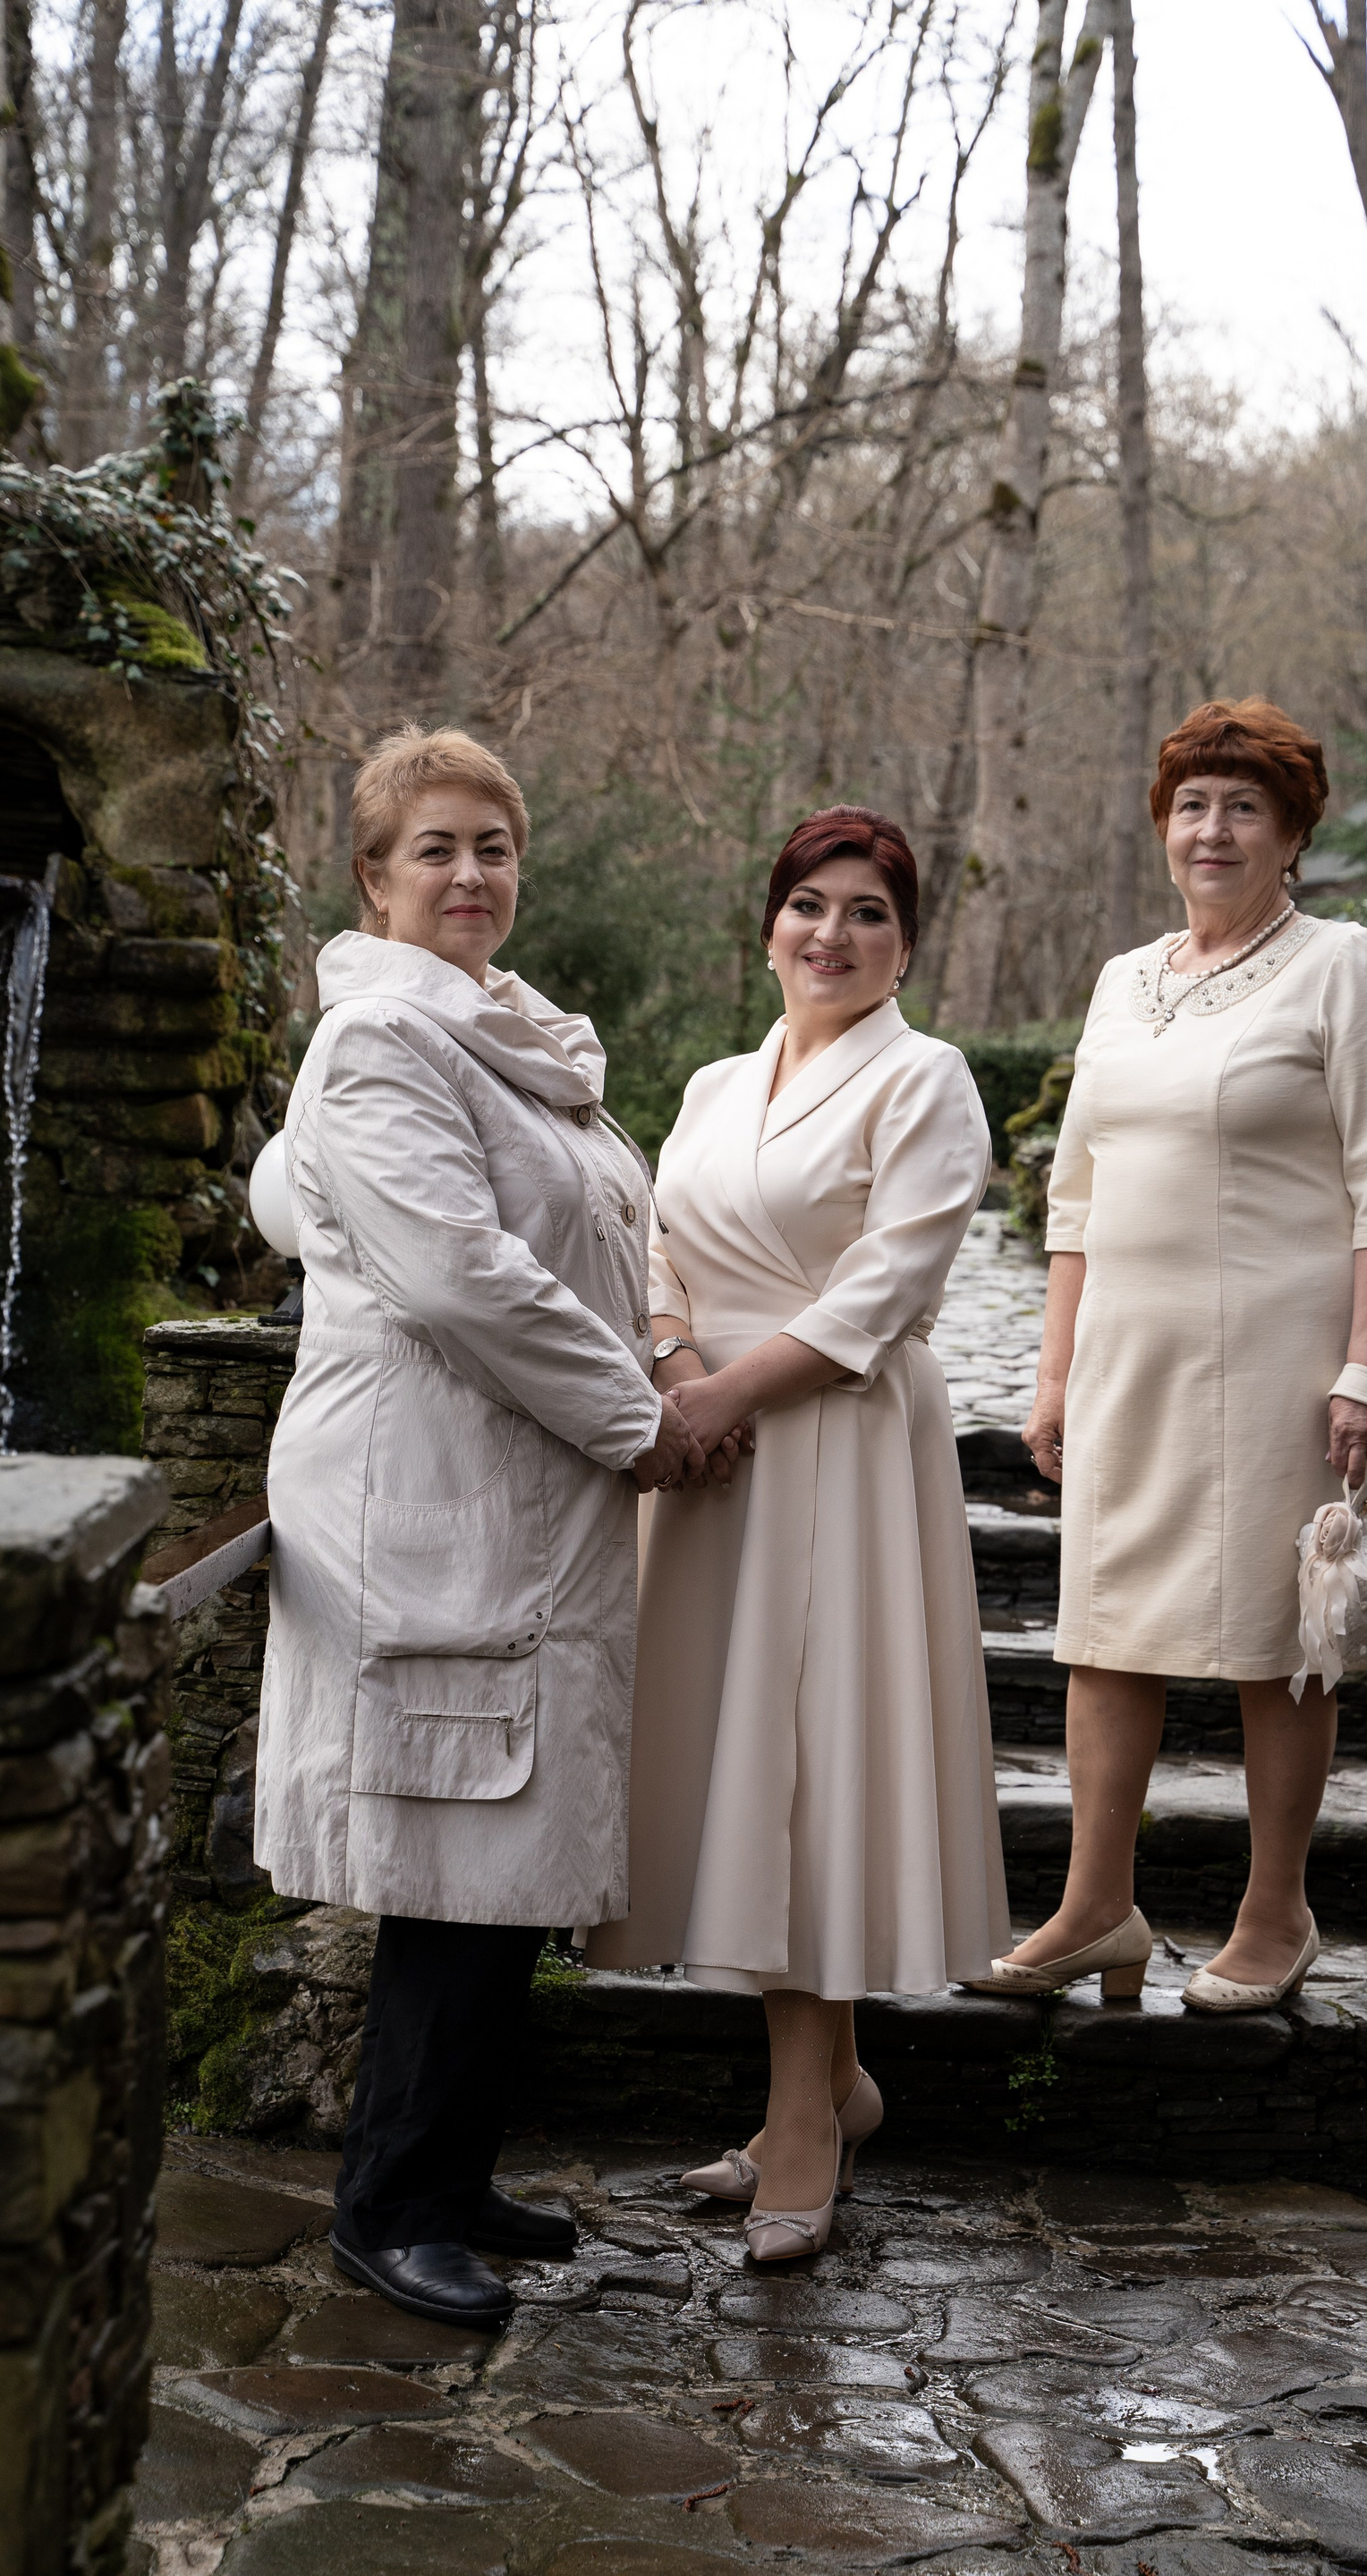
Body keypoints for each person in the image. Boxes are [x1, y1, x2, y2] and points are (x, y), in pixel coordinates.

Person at [254, 726, 696, 2329]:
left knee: (501, 1856)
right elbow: (461, 1277)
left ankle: (452, 2177)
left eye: (493, 847)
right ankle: (386, 2207)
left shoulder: (520, 1041)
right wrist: (641, 1416)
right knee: (447, 1858)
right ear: (373, 878)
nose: (469, 874)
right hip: (434, 1494)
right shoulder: (381, 1041)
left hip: (528, 1494)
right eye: (434, 848)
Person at [963, 699, 1367, 2014]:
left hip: (1280, 1356)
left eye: (1243, 806)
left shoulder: (1341, 964)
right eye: (1191, 805)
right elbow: (1074, 1198)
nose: (1212, 829)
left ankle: (1277, 1913)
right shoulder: (1124, 980)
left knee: (1280, 1635)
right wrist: (1054, 1374)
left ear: (1292, 833)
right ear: (1163, 828)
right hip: (1128, 1353)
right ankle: (1096, 1909)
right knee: (1104, 1631)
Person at [586, 805, 1007, 2258]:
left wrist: (727, 1397)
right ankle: (826, 2088)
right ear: (770, 926)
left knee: (814, 1769)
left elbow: (888, 1285)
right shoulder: (715, 1084)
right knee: (745, 1761)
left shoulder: (926, 1079)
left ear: (907, 946)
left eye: (869, 912)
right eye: (810, 905)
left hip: (840, 1441)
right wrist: (676, 1370)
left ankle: (807, 2126)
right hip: (716, 1457)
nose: (834, 933)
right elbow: (654, 1244)